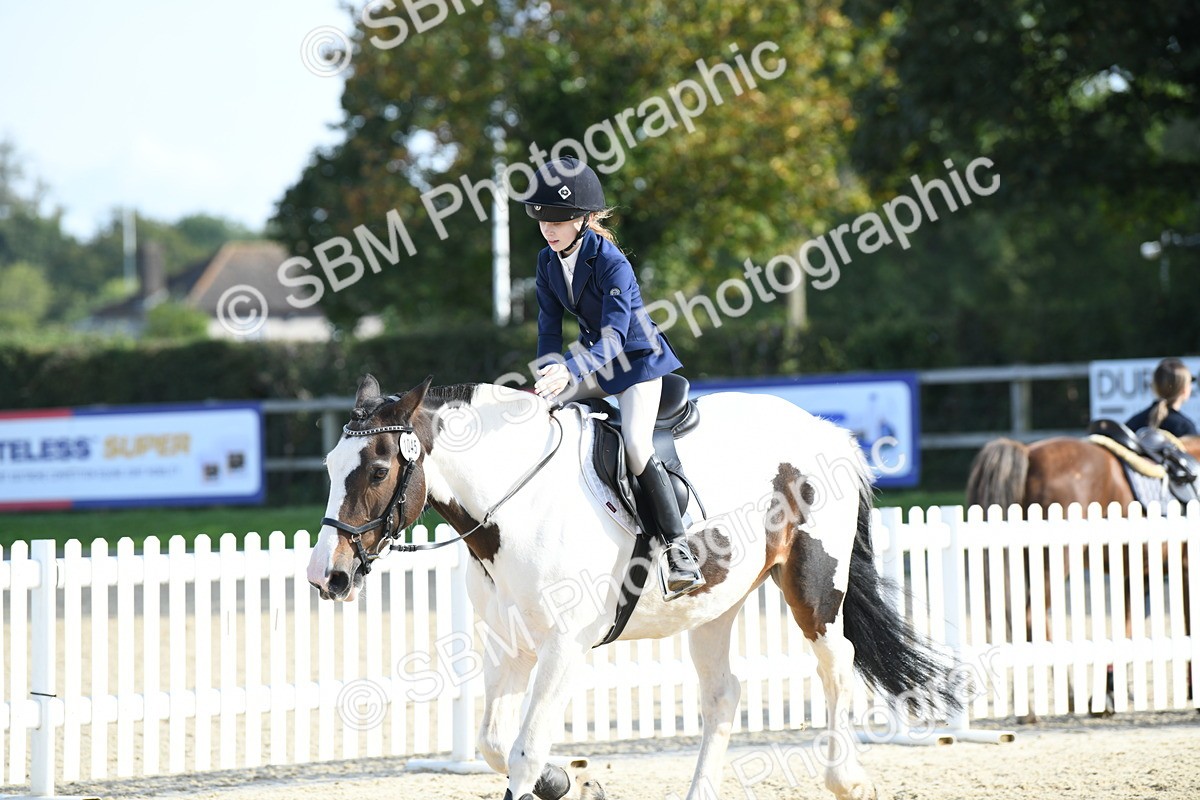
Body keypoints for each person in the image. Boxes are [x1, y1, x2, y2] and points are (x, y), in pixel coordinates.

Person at [519, 156, 705, 600]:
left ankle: (679, 551)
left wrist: (569, 369)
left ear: (584, 218)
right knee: (538, 413)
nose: (549, 226)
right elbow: (548, 327)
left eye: (561, 218)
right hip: (593, 363)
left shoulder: (612, 262)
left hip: (638, 363)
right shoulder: (547, 262)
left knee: (638, 446)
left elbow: (616, 339)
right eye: (544, 217)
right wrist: (548, 374)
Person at [1125, 357, 1198, 438]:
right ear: (1184, 389)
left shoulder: (1133, 424)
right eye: (1190, 383)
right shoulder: (1184, 428)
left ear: (1155, 387)